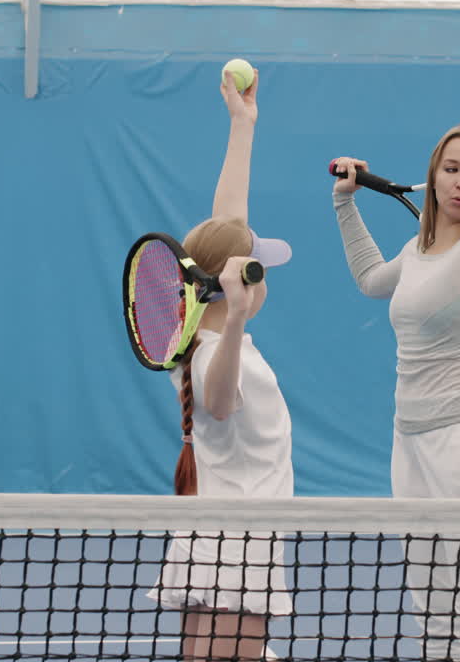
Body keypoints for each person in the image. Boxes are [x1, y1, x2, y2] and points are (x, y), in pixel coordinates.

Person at [328, 8, 460, 661]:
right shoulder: (416, 252)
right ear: (432, 177)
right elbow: (366, 280)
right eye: (451, 169)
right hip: (409, 443)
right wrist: (345, 204)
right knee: (434, 609)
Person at [148, 65, 295, 661]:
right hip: (240, 542)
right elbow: (220, 400)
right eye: (258, 266)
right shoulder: (217, 354)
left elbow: (223, 227)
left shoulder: (193, 340)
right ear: (240, 285)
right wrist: (236, 317)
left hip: (214, 532)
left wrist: (243, 124)